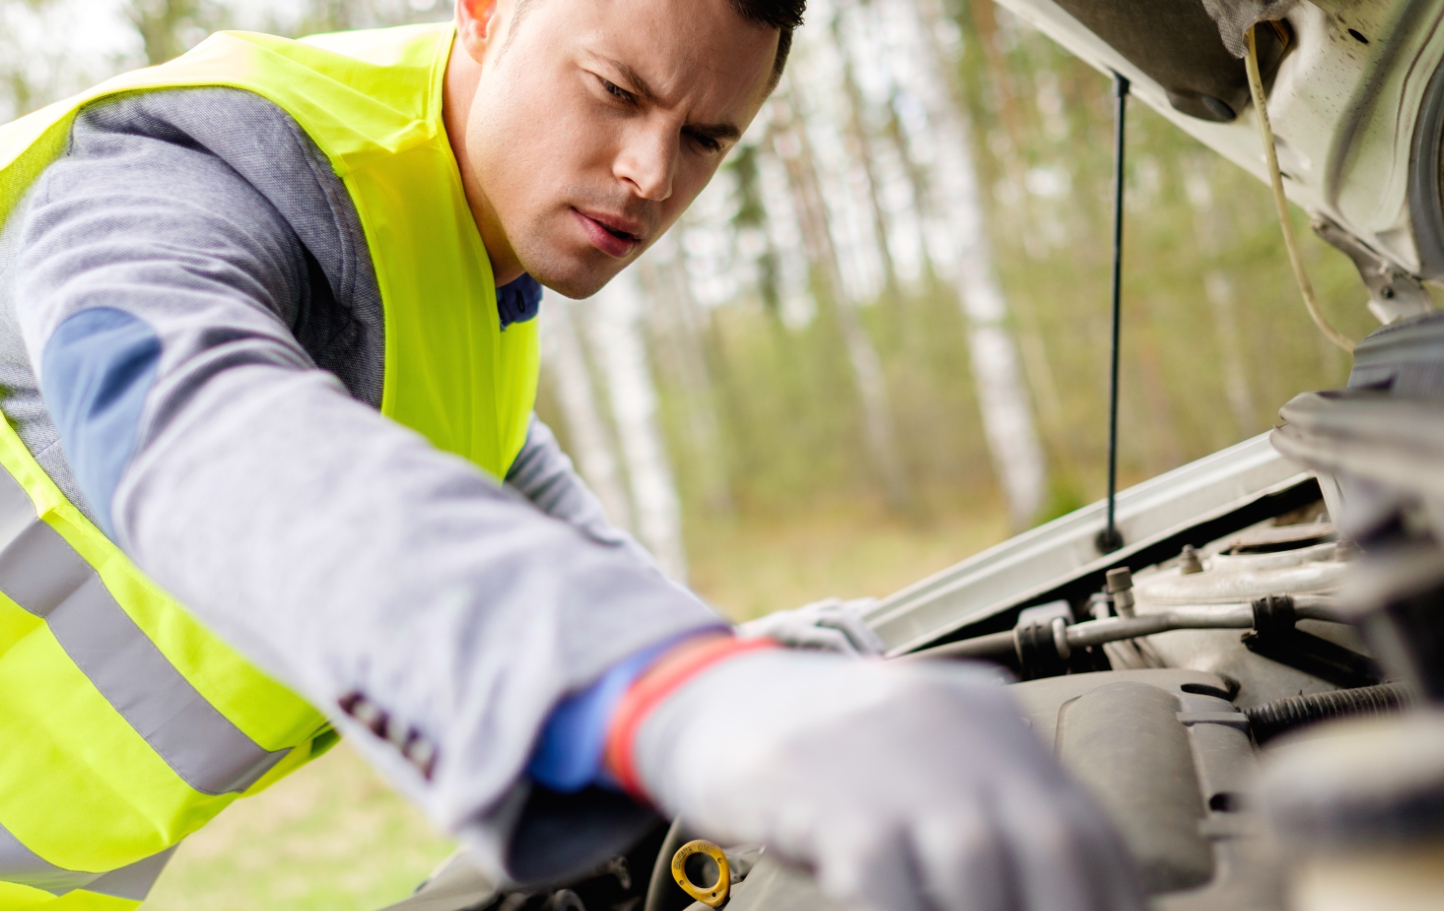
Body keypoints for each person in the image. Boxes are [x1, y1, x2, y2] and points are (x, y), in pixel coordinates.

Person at [0, 0, 1143, 908]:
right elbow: (191, 419)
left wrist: (728, 661)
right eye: (616, 91)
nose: (652, 174)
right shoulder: (207, 162)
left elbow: (494, 479)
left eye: (705, 137)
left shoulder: (466, 268)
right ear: (485, 12)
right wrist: (656, 685)